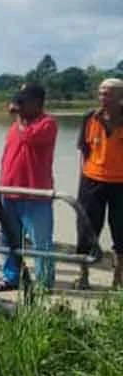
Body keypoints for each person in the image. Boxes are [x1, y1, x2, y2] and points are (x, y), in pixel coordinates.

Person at [0, 83, 57, 292]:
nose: (18, 105)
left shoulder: (47, 123)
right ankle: (11, 277)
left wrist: (18, 117)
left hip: (35, 195)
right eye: (17, 101)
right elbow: (7, 156)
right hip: (9, 192)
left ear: (38, 102)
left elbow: (29, 138)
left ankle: (44, 282)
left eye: (23, 101)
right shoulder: (15, 127)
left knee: (41, 241)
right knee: (9, 239)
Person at [75, 78, 123, 290]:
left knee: (121, 231)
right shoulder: (90, 118)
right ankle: (83, 275)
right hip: (92, 180)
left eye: (109, 94)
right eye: (102, 93)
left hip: (120, 183)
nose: (104, 98)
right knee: (86, 228)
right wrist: (83, 181)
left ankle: (118, 278)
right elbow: (84, 151)